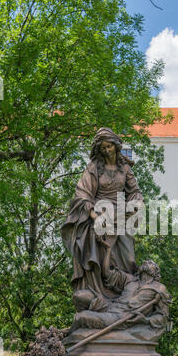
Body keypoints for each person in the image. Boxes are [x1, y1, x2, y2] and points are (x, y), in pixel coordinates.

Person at [61, 128, 144, 303]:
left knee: (128, 258)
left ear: (115, 146)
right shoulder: (94, 168)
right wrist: (93, 215)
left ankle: (127, 298)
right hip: (99, 214)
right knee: (102, 255)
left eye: (109, 146)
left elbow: (134, 191)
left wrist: (136, 202)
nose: (107, 151)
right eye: (103, 148)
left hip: (121, 216)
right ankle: (101, 297)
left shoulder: (125, 168)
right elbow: (82, 195)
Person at [70, 242, 171, 342]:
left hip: (121, 316)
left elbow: (163, 317)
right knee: (79, 296)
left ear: (156, 272)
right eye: (147, 261)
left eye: (151, 263)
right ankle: (75, 331)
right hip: (109, 305)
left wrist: (145, 320)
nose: (148, 262)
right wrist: (108, 251)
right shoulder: (130, 279)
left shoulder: (160, 289)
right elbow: (107, 273)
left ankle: (67, 334)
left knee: (81, 317)